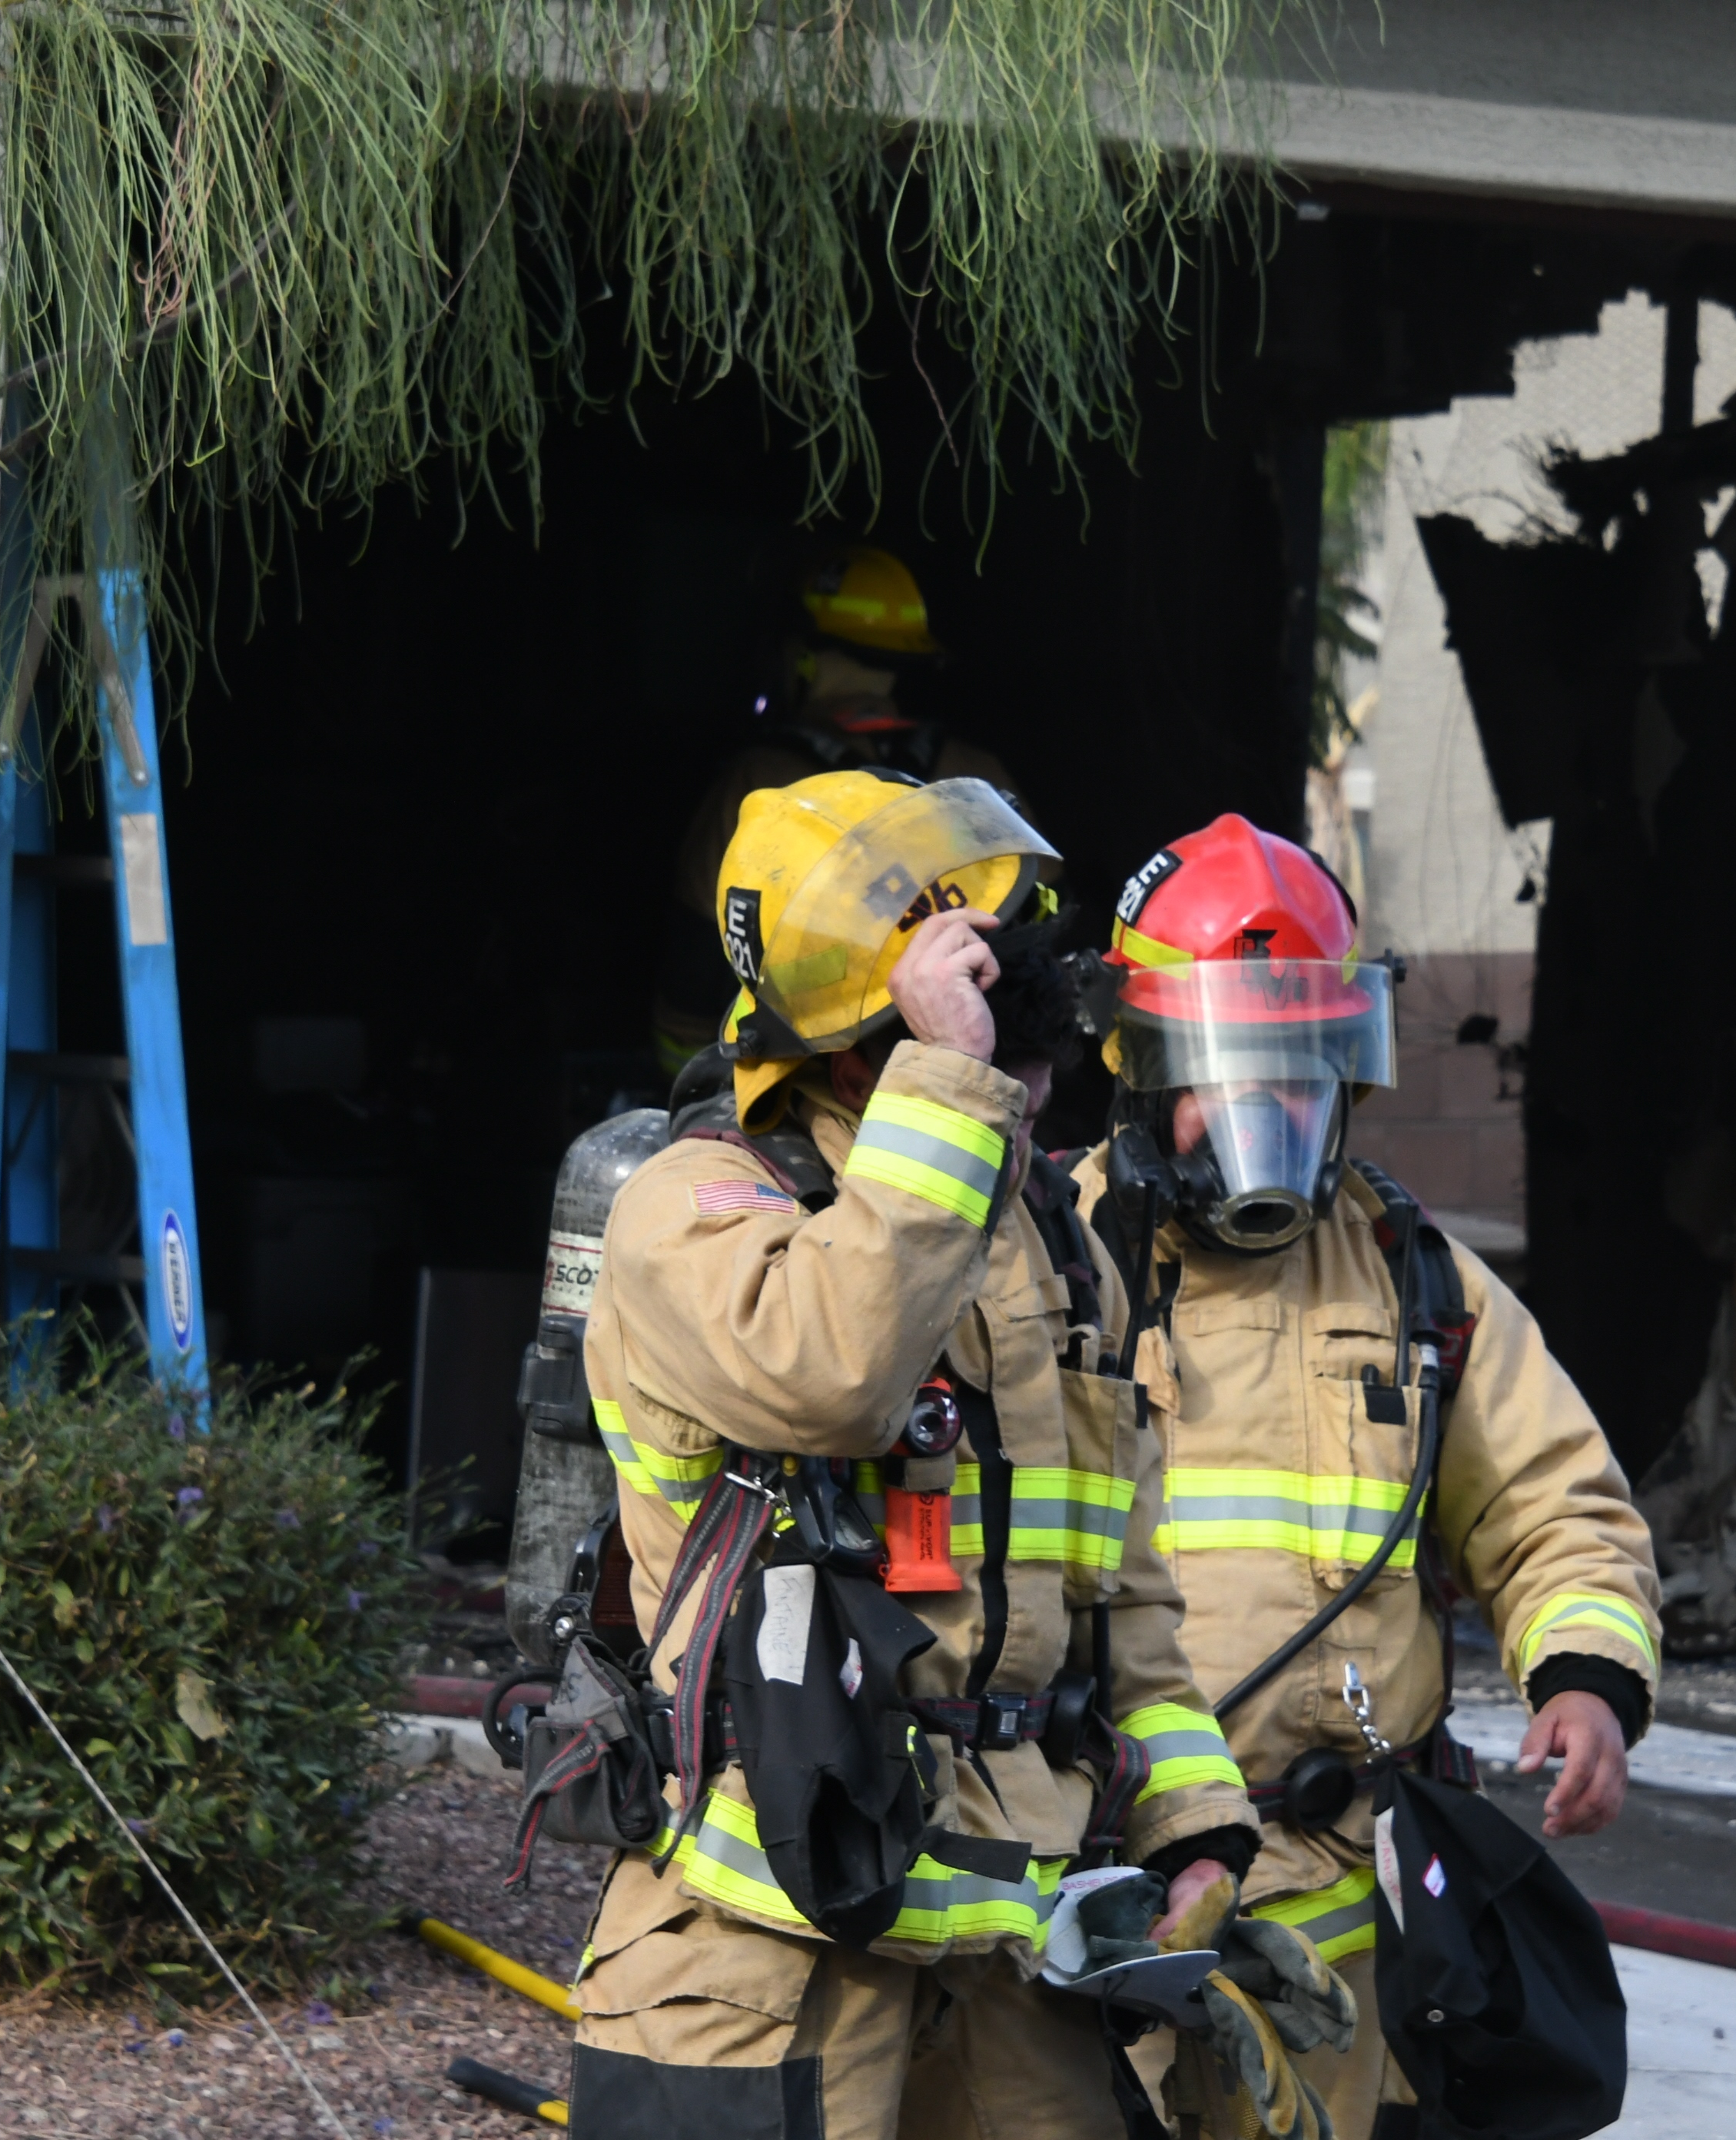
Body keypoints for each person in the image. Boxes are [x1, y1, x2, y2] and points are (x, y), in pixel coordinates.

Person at [567, 769, 1263, 2139]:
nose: (1024, 1098)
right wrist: (950, 1082)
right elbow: (828, 1369)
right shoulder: (696, 1207)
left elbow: (1120, 1594)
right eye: (985, 1056)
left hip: (1010, 1960)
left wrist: (1195, 1827)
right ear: (856, 1062)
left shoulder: (1052, 1249)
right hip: (765, 1951)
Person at [1073, 814, 1661, 2140]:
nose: (1261, 1114)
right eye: (1222, 1074)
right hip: (1097, 1881)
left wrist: (1585, 1678)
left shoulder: (1416, 1283)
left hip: (1333, 1918)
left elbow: (1554, 1503)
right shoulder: (1048, 1264)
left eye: (1299, 1074)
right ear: (1141, 1068)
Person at [651, 547, 1030, 1072]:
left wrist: (695, 1092)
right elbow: (1042, 932)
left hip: (825, 1071)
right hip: (983, 1058)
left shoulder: (760, 782)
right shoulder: (977, 775)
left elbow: (694, 970)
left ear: (801, 654)